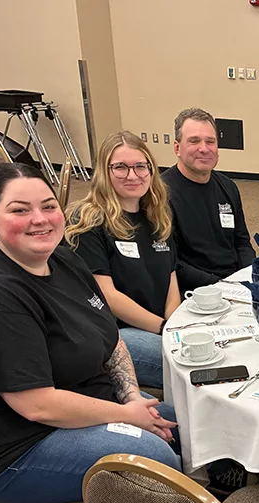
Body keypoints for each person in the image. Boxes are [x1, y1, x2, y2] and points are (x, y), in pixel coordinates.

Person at [0, 163, 179, 503]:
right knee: (153, 458)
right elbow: (37, 405)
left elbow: (111, 339)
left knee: (183, 422)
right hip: (8, 447)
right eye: (19, 210)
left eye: (49, 205)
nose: (39, 219)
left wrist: (131, 397)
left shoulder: (62, 259)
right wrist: (127, 416)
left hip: (75, 404)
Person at [66, 131, 179, 389]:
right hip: (116, 334)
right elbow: (107, 295)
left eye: (141, 166)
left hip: (160, 326)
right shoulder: (89, 220)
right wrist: (164, 329)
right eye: (120, 167)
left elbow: (171, 278)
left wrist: (176, 324)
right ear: (105, 172)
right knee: (193, 364)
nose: (133, 175)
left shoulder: (157, 216)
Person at [163, 108, 256, 291]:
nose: (204, 149)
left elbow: (242, 242)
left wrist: (247, 275)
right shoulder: (161, 195)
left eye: (210, 141)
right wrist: (220, 286)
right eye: (194, 141)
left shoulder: (227, 186)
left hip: (233, 282)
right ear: (177, 148)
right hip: (195, 290)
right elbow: (171, 262)